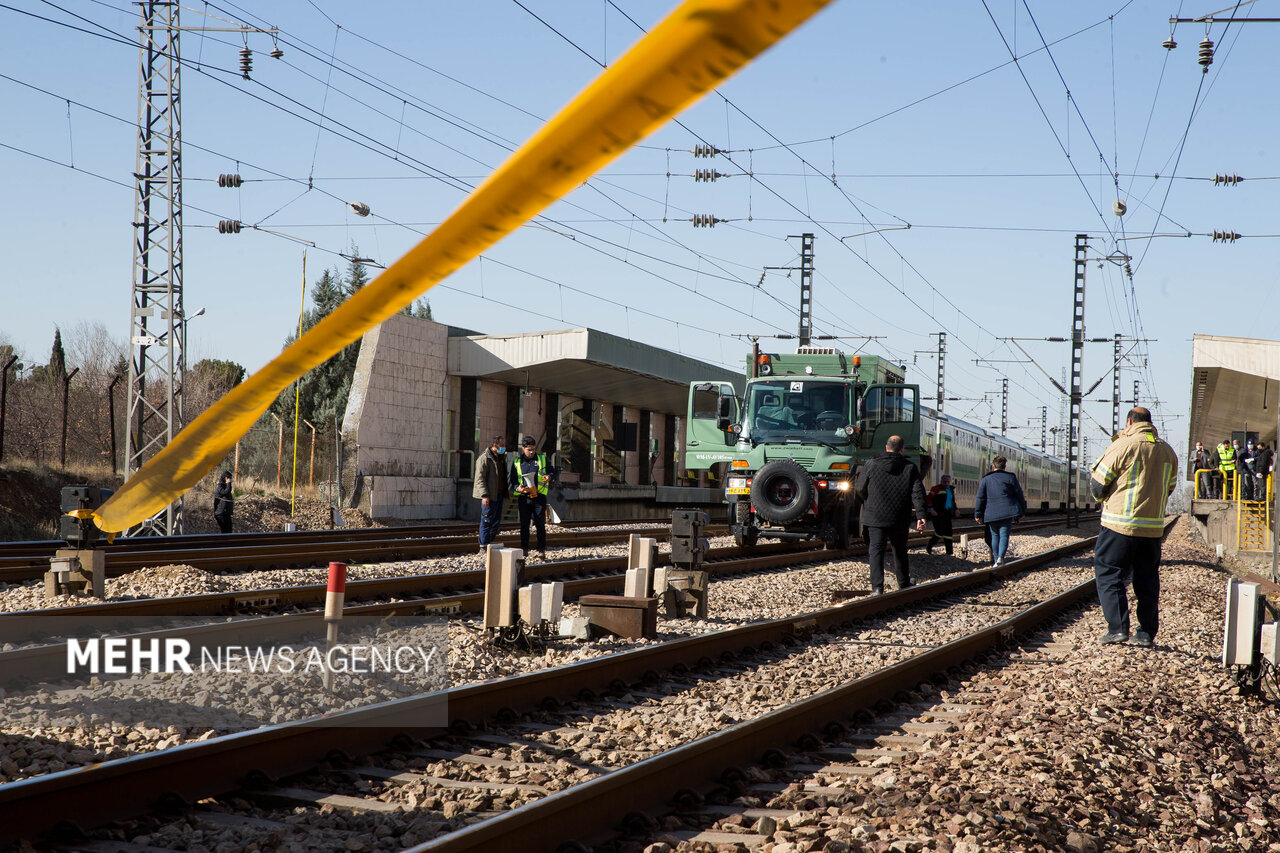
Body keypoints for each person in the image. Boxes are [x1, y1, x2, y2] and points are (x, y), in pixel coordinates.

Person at [1090, 407, 1178, 647]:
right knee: (1147, 580)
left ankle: (1118, 629)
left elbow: (1098, 485)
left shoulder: (1123, 445)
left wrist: (1105, 499)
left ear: (1129, 422)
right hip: (1152, 530)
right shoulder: (1167, 451)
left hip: (1119, 525)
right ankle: (1146, 633)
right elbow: (1170, 487)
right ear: (1150, 423)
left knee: (1109, 574)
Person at [854, 435, 927, 595]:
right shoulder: (909, 467)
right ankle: (903, 583)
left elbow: (859, 489)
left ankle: (877, 588)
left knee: (876, 550)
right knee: (900, 550)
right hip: (899, 516)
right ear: (901, 449)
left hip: (875, 515)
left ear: (886, 448)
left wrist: (868, 500)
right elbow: (917, 492)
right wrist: (921, 515)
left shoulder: (871, 464)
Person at [973, 456, 1027, 568]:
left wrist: (978, 514)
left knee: (994, 535)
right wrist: (1022, 511)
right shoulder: (1010, 478)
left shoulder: (986, 479)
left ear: (993, 466)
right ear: (1005, 466)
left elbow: (980, 498)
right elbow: (1019, 495)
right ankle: (1001, 558)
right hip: (1007, 511)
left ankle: (996, 559)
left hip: (991, 513)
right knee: (1004, 535)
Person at [510, 435, 557, 559]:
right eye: (529, 450)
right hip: (524, 498)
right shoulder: (517, 462)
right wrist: (517, 488)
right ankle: (524, 549)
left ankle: (541, 549)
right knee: (524, 524)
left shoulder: (542, 459)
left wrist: (549, 477)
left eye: (533, 449)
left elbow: (552, 471)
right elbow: (513, 480)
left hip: (539, 497)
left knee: (540, 524)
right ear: (523, 449)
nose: (531, 452)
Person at [472, 435, 508, 552]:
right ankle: (483, 546)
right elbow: (479, 479)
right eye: (501, 445)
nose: (504, 448)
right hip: (489, 495)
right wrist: (485, 495)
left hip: (499, 494)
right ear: (495, 445)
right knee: (486, 520)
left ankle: (490, 543)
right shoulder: (484, 458)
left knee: (496, 521)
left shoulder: (501, 458)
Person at [925, 474, 957, 555]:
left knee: (948, 534)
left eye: (948, 482)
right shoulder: (936, 489)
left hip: (947, 515)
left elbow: (952, 501)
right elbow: (928, 499)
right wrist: (931, 509)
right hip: (937, 514)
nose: (946, 483)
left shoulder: (951, 490)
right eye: (944, 482)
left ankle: (949, 553)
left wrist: (956, 509)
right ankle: (929, 546)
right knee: (939, 532)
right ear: (941, 481)